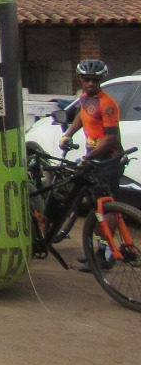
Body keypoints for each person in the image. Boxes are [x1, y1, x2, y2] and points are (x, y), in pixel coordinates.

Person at [59, 59, 127, 272]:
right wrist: (68, 133)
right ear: (81, 79)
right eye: (86, 79)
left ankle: (106, 255)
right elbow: (82, 115)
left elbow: (110, 140)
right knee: (94, 205)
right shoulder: (85, 98)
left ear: (100, 81)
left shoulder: (107, 104)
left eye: (94, 80)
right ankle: (96, 251)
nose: (90, 83)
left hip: (109, 161)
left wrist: (88, 157)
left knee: (107, 208)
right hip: (95, 159)